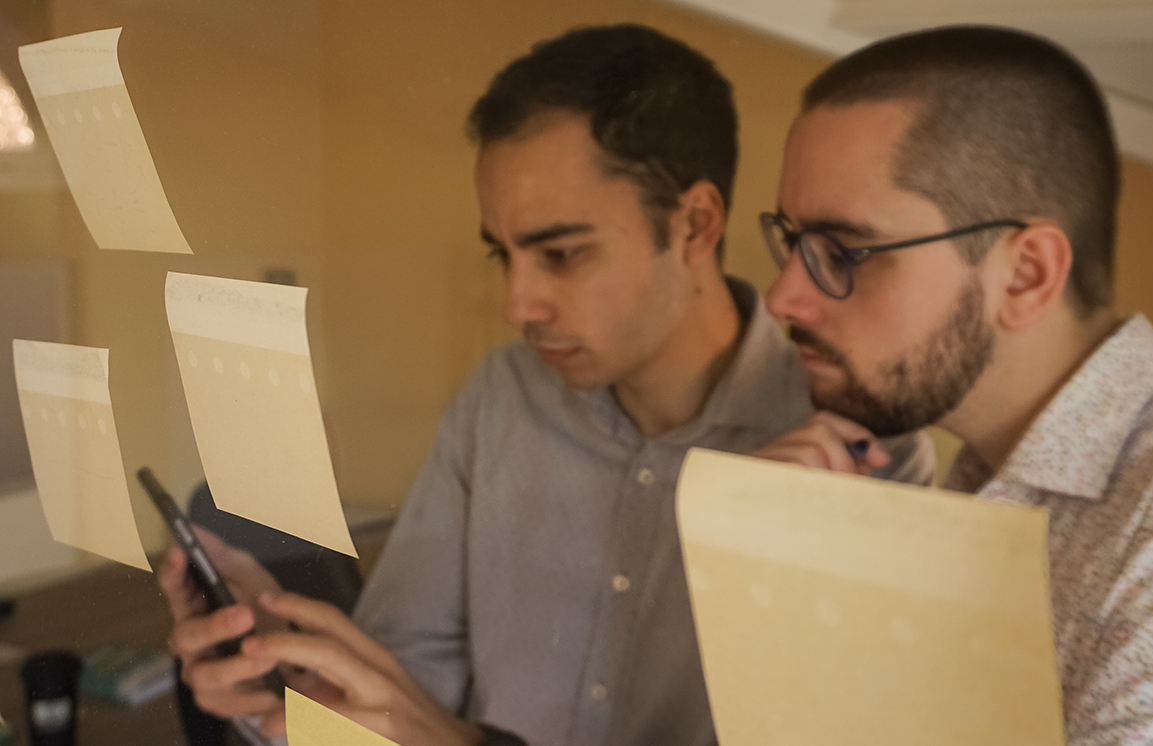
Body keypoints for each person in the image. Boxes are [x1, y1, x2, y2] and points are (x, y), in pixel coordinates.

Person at [159, 23, 935, 746]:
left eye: (560, 253)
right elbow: (404, 685)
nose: (515, 305)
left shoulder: (864, 459)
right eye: (503, 253)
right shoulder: (501, 398)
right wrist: (298, 671)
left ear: (694, 226)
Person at [757, 25, 1153, 743]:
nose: (782, 298)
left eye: (842, 251)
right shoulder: (981, 493)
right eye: (793, 241)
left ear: (1025, 275)